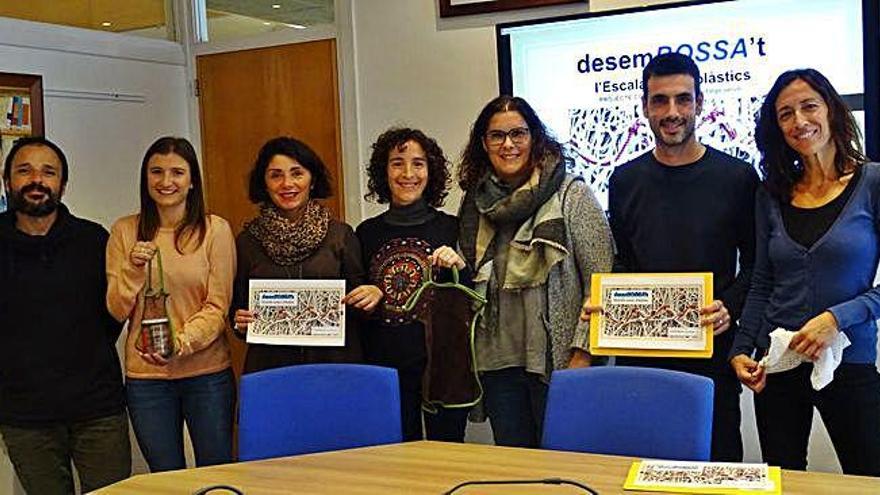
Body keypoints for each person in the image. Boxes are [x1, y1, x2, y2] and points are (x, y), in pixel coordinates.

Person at [583, 53, 759, 462]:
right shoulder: (624, 180)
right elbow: (623, 263)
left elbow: (756, 266)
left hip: (711, 354)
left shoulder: (737, 178)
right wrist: (609, 303)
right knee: (644, 467)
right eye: (660, 101)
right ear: (644, 107)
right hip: (643, 359)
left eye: (683, 99)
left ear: (700, 102)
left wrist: (730, 307)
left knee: (718, 469)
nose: (672, 112)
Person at [730, 69, 880, 476]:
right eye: (785, 114)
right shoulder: (771, 194)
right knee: (782, 478)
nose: (799, 121)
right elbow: (762, 282)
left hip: (850, 359)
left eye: (809, 106)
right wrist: (742, 349)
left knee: (869, 476)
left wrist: (836, 319)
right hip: (780, 363)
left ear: (831, 109)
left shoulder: (872, 183)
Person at [458, 95, 614, 448]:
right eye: (497, 136)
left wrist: (583, 354)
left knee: (566, 468)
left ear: (535, 137)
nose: (508, 144)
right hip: (497, 363)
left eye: (518, 133)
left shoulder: (572, 195)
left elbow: (601, 284)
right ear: (483, 143)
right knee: (517, 472)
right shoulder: (474, 201)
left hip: (560, 363)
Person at [0, 137, 130, 494]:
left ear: (63, 184)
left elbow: (113, 314)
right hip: (24, 416)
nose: (36, 180)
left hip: (98, 410)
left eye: (49, 172)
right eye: (24, 171)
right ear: (7, 180)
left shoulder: (93, 240)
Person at [107, 137, 236, 472]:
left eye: (177, 172)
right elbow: (116, 309)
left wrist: (181, 342)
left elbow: (217, 307)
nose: (166, 182)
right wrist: (133, 269)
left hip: (206, 374)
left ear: (192, 180)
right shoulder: (124, 231)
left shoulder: (214, 230)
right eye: (156, 172)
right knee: (165, 476)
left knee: (217, 471)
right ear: (145, 178)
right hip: (147, 378)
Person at [357, 127, 475, 442]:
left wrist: (458, 266)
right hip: (385, 368)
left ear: (430, 171)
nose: (408, 173)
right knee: (394, 463)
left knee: (447, 458)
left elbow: (471, 297)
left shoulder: (453, 227)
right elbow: (356, 300)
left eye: (418, 163)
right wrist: (369, 292)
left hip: (443, 367)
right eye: (397, 163)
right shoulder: (365, 233)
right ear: (384, 171)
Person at [232, 137, 380, 372]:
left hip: (333, 367)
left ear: (312, 181)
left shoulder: (340, 235)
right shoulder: (247, 242)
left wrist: (369, 299)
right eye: (276, 175)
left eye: (297, 173)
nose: (287, 183)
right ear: (264, 183)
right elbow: (237, 312)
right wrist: (240, 322)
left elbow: (360, 310)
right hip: (273, 369)